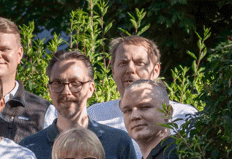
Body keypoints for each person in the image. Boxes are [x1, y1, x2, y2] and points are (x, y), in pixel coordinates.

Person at [21, 51, 136, 159]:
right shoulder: (30, 148)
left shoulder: (119, 142)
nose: (66, 91)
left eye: (75, 83)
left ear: (91, 88)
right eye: (57, 83)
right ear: (49, 90)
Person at [44, 35, 198, 138]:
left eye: (139, 63)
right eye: (123, 63)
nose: (130, 69)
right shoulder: (94, 115)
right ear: (113, 70)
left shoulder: (184, 117)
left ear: (156, 70)